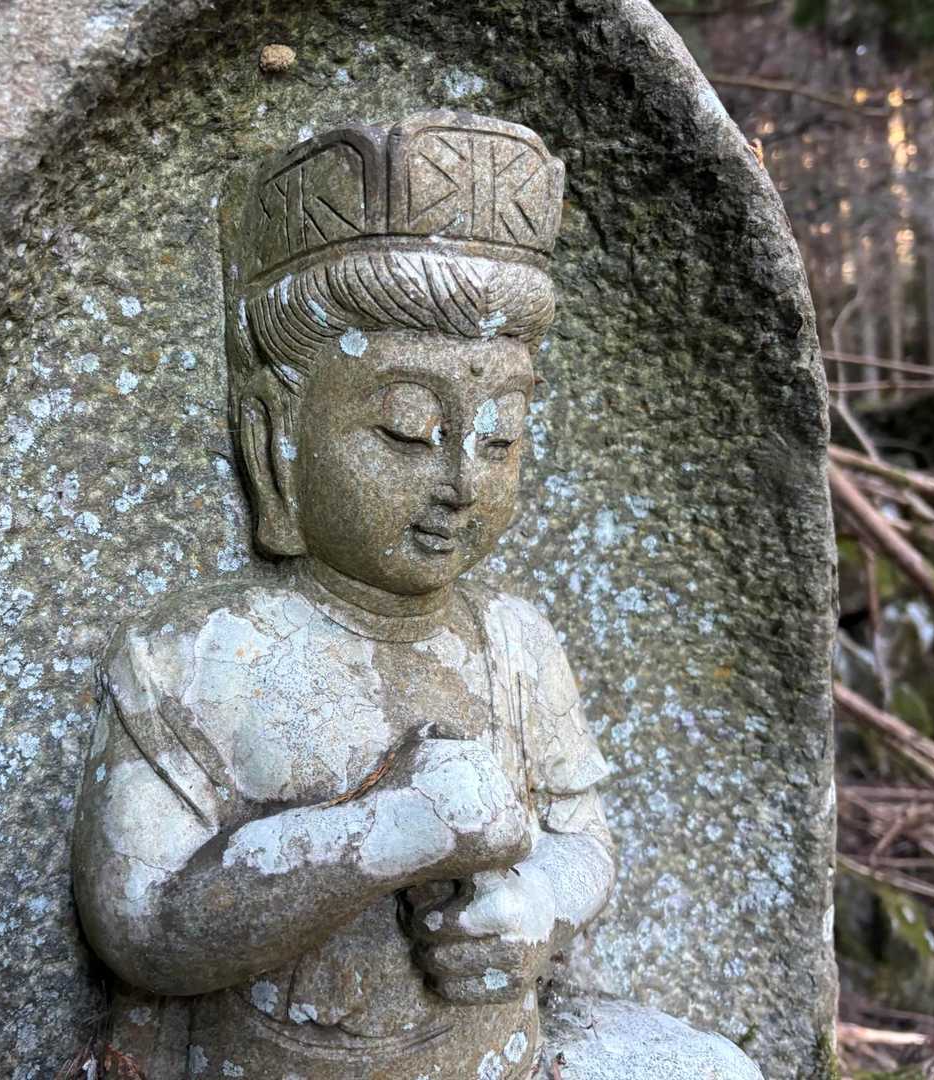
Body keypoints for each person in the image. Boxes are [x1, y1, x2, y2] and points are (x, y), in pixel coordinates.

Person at [72, 112, 616, 1080]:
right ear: (276, 437)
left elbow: (586, 844)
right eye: (406, 432)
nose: (462, 481)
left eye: (500, 437)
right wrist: (386, 832)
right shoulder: (195, 656)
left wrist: (537, 906)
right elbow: (141, 925)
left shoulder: (514, 640)